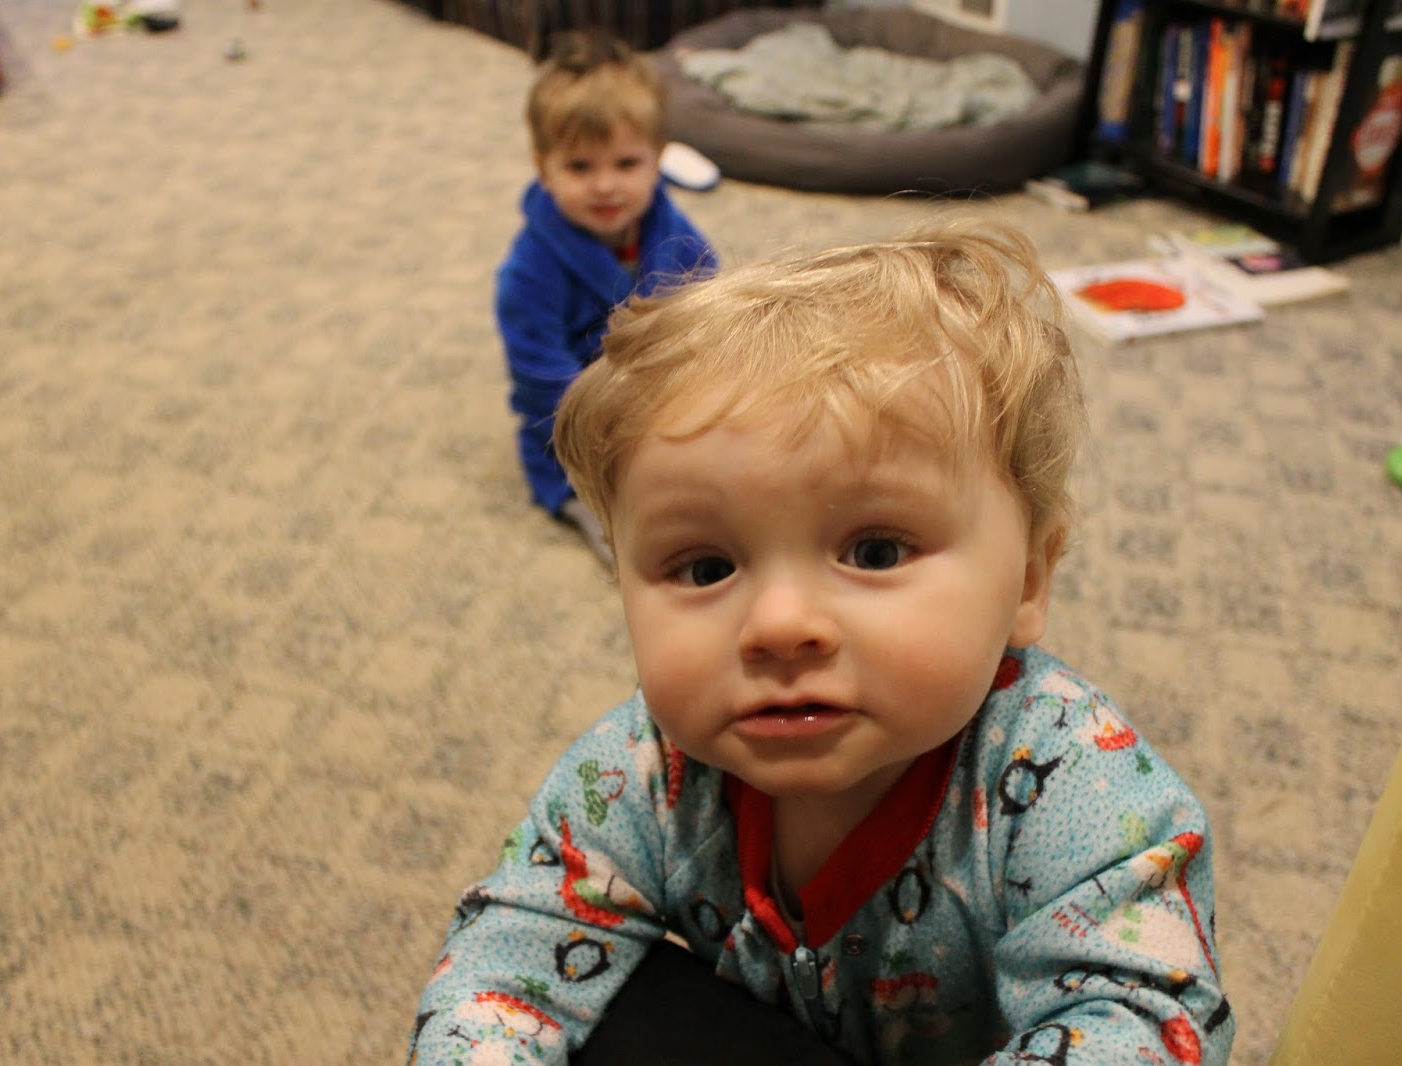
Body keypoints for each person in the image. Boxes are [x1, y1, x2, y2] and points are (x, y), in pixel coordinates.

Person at [408, 220, 1234, 1065]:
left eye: (874, 553)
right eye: (705, 568)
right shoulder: (641, 773)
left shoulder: (1078, 787)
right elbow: (505, 956)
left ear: (1027, 581)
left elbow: (1141, 1019)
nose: (779, 626)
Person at [496, 30, 717, 563]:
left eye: (625, 164)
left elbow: (711, 309)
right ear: (543, 168)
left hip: (663, 396)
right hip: (580, 423)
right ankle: (587, 502)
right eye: (580, 167)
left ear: (658, 159)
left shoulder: (673, 231)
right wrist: (608, 428)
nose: (605, 186)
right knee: (635, 530)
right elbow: (540, 377)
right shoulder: (529, 271)